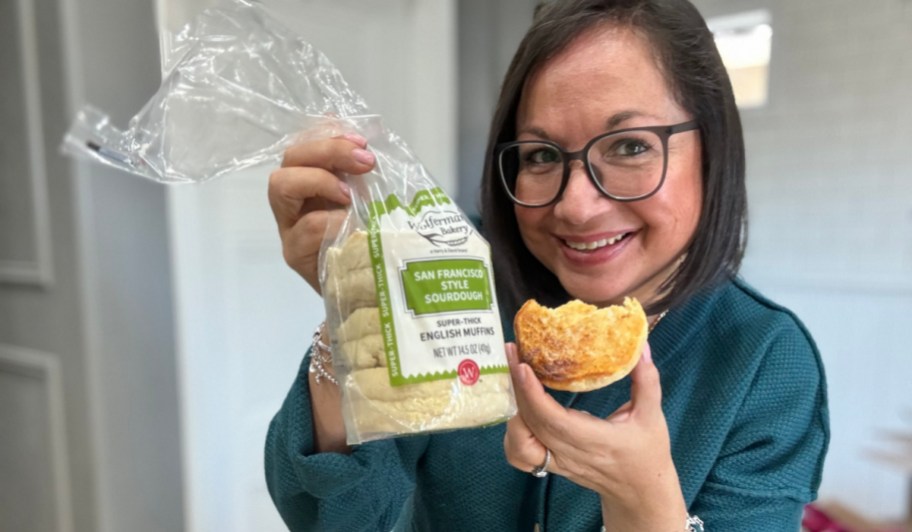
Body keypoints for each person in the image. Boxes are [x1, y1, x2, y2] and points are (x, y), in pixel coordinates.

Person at [264, 0, 829, 530]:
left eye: (630, 146)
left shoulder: (765, 361)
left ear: (713, 148)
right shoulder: (458, 279)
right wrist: (351, 318)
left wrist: (641, 498)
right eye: (540, 155)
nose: (576, 206)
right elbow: (334, 518)